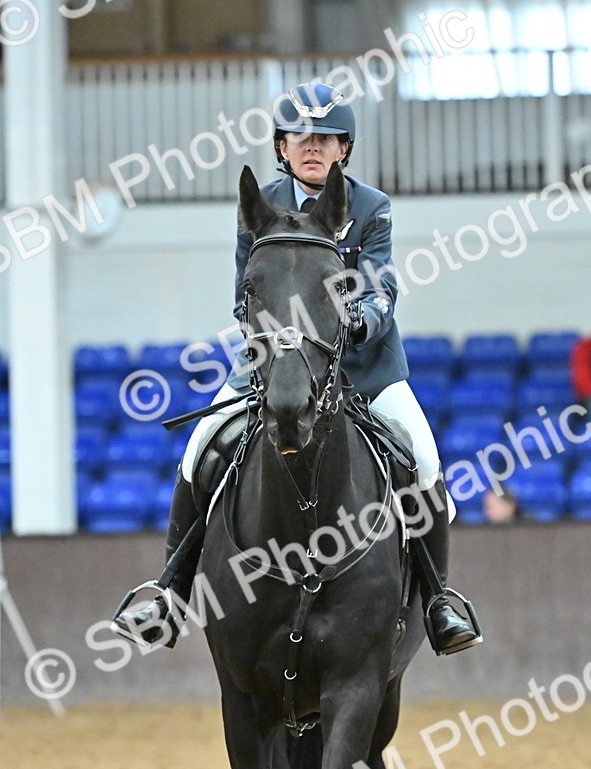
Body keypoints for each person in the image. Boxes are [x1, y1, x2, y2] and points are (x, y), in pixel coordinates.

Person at [112, 82, 480, 656]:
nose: (313, 147)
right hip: (275, 364)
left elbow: (381, 283)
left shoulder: (370, 207)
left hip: (364, 365)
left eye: (326, 138)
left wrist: (360, 322)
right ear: (282, 146)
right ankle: (170, 593)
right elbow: (247, 291)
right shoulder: (259, 207)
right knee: (198, 448)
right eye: (301, 137)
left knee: (426, 462)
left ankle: (438, 600)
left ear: (344, 150)